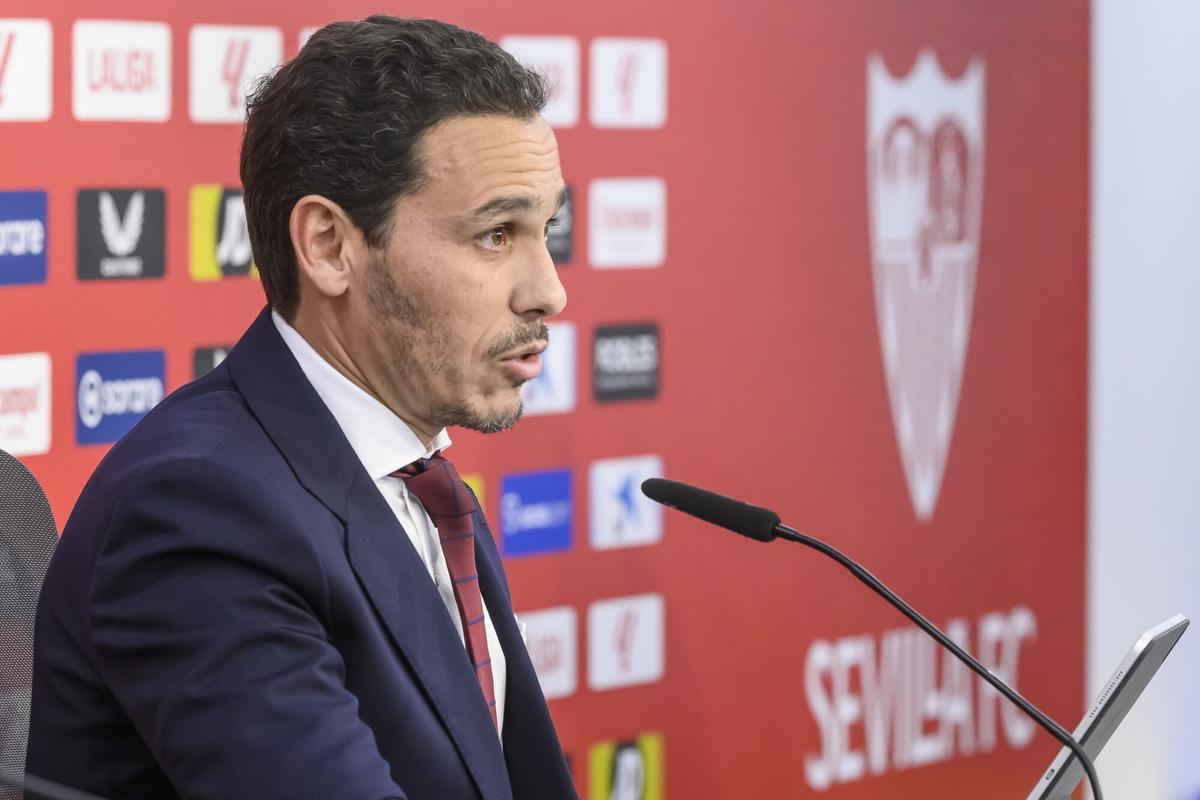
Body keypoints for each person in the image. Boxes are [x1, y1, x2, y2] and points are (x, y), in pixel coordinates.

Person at [26, 16, 576, 800]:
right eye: (495, 234)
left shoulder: (419, 479)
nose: (549, 290)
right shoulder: (199, 507)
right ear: (328, 245)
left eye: (545, 229)